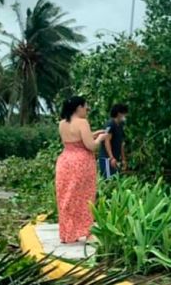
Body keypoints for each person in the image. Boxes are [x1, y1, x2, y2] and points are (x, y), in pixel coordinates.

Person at [56, 96, 107, 243]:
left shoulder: (62, 124)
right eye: (85, 107)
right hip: (81, 163)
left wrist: (93, 134)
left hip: (65, 161)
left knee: (67, 197)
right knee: (85, 197)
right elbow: (91, 146)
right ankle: (87, 232)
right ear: (78, 107)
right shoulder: (82, 122)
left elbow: (74, 140)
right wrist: (100, 138)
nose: (87, 109)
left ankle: (67, 233)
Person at [99, 103, 129, 179]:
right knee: (108, 180)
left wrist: (123, 159)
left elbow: (121, 143)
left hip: (116, 158)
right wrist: (111, 157)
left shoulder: (121, 125)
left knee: (115, 180)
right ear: (119, 114)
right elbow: (107, 141)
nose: (125, 116)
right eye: (124, 114)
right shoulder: (110, 124)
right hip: (107, 158)